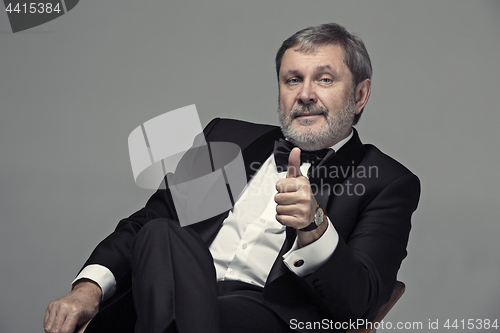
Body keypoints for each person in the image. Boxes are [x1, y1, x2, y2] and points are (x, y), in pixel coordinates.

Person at [44, 23, 420, 333]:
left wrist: (314, 225)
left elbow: (362, 302)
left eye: (324, 80)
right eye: (292, 80)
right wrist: (87, 289)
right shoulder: (228, 139)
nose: (305, 94)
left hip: (265, 315)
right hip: (165, 296)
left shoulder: (385, 182)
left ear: (359, 95)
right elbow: (145, 225)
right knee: (159, 233)